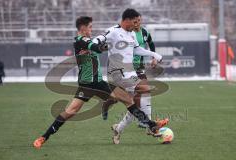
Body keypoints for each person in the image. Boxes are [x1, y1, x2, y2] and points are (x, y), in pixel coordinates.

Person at [33, 16, 164, 149]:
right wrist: (111, 45)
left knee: (126, 101)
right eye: (90, 27)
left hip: (94, 83)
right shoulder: (80, 41)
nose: (91, 29)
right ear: (83, 28)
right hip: (90, 84)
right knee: (72, 112)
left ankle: (151, 125)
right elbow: (95, 47)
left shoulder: (87, 40)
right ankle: (44, 137)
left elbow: (96, 45)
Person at [95, 8, 169, 144]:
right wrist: (93, 43)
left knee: (133, 104)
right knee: (144, 90)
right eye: (135, 22)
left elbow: (136, 49)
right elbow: (100, 38)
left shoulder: (132, 34)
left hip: (130, 72)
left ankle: (118, 128)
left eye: (138, 22)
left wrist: (153, 54)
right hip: (117, 73)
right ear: (127, 20)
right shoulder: (114, 31)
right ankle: (150, 125)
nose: (137, 25)